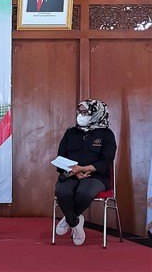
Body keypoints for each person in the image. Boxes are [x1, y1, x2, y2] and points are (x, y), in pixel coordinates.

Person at [54, 99, 116, 246]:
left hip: (96, 176)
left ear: (96, 113)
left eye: (85, 112)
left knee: (84, 192)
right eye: (79, 112)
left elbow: (106, 160)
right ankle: (75, 221)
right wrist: (74, 171)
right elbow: (61, 156)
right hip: (71, 173)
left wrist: (83, 169)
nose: (81, 115)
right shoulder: (71, 133)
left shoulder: (107, 135)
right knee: (62, 191)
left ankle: (70, 217)